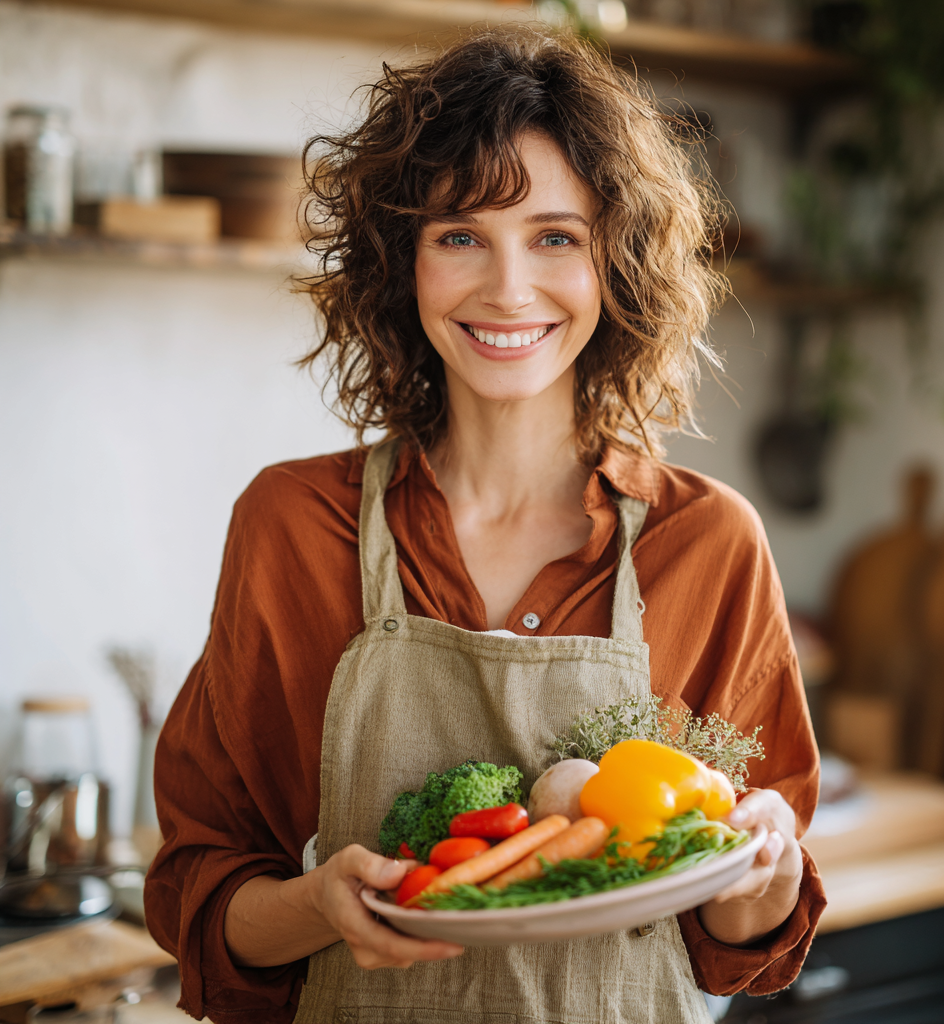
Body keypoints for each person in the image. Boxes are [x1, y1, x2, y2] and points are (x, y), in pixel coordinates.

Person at [145, 24, 825, 1024]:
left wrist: (761, 869)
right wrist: (317, 906)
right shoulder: (292, 525)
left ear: (614, 264)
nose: (509, 288)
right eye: (460, 234)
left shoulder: (708, 543)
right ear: (402, 261)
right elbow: (199, 896)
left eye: (556, 236)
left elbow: (737, 949)